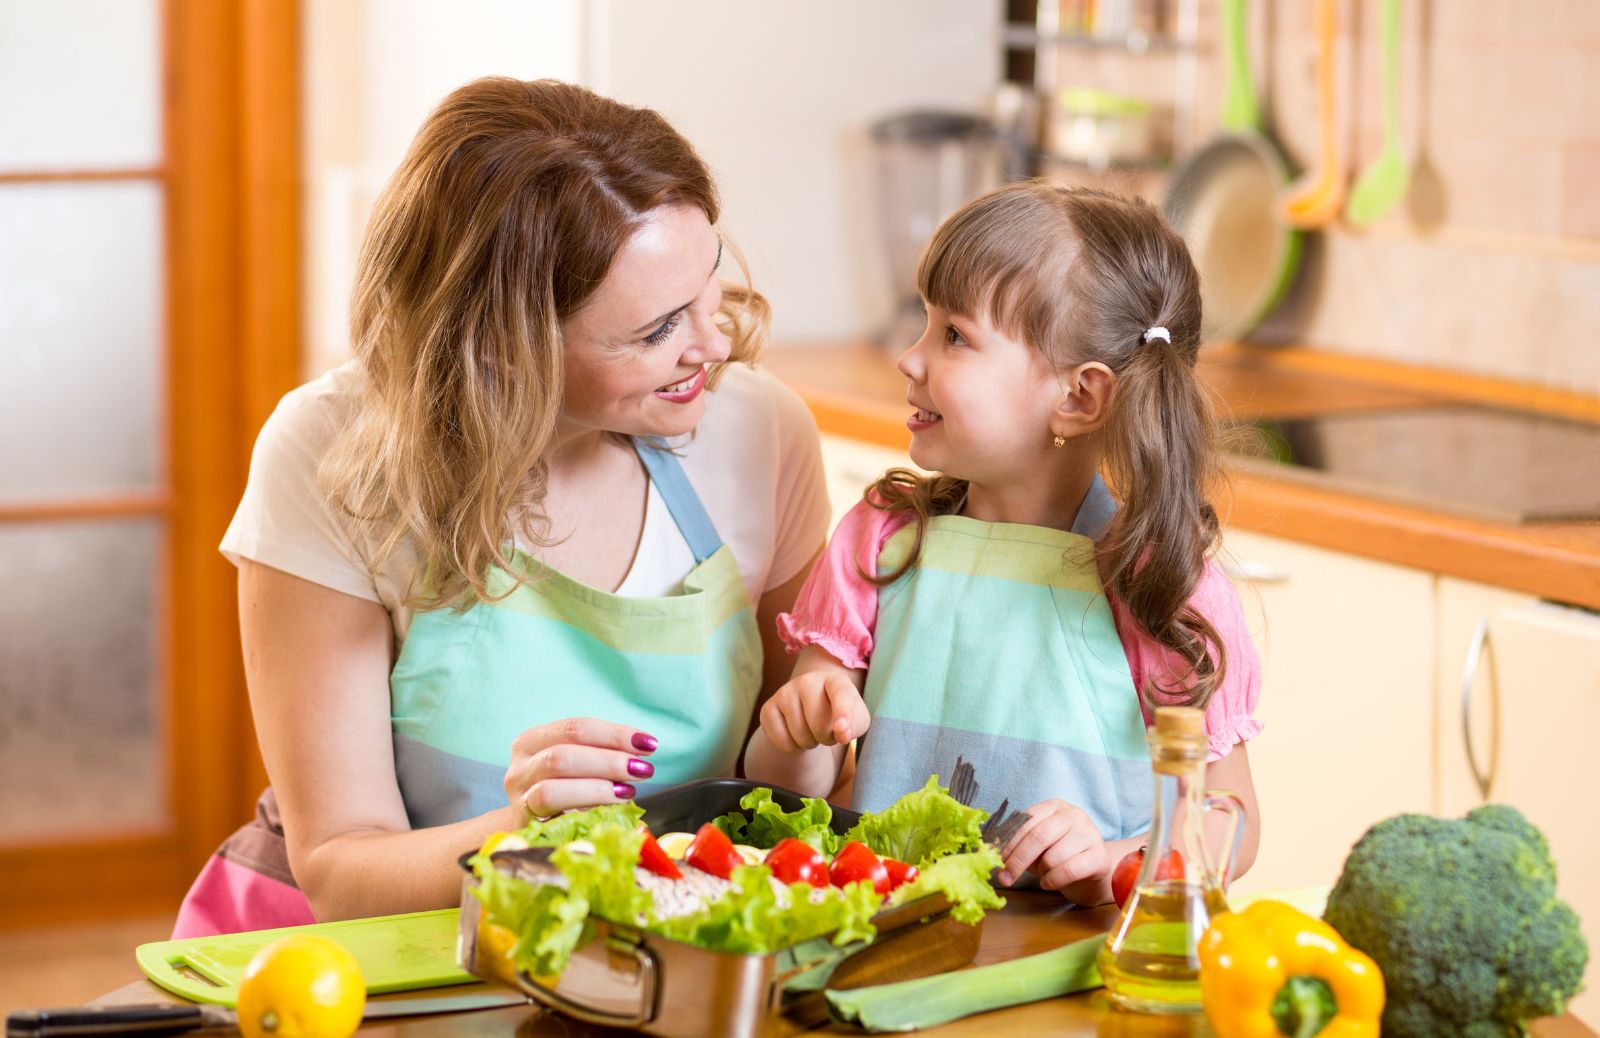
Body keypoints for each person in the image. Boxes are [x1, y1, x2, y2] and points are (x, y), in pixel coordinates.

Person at [172, 77, 830, 937]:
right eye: (658, 329)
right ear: (503, 345)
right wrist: (519, 836)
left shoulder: (759, 431)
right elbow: (337, 863)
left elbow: (792, 784)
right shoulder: (334, 456)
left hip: (663, 956)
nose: (713, 345)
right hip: (378, 955)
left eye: (708, 290)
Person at [744, 183, 1262, 907]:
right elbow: (794, 789)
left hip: (1071, 961)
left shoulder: (1157, 583)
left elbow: (1228, 820)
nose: (909, 358)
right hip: (887, 937)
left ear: (1079, 398)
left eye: (954, 336)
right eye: (925, 325)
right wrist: (793, 733)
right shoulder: (883, 538)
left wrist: (1114, 858)